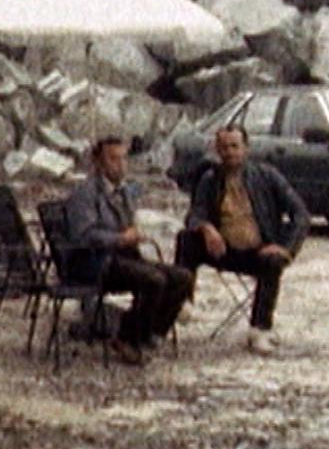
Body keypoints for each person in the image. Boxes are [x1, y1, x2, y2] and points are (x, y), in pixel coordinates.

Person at [176, 125, 310, 356]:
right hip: (223, 250)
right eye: (224, 147)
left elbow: (301, 214)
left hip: (258, 251)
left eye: (234, 146)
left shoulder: (267, 176)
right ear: (217, 150)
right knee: (186, 239)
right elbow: (194, 214)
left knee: (273, 262)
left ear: (246, 148)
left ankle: (260, 329)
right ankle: (181, 299)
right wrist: (207, 228)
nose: (229, 152)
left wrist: (286, 248)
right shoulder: (210, 179)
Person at [65, 136, 195, 366]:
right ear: (98, 162)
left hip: (122, 257)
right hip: (94, 262)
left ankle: (150, 334)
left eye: (123, 159)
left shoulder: (123, 191)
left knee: (182, 277)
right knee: (153, 280)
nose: (120, 165)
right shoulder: (85, 193)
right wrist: (119, 238)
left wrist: (134, 234)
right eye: (113, 159)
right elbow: (83, 236)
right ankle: (128, 339)